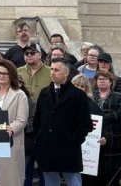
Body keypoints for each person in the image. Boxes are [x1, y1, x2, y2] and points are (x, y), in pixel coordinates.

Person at [35, 58, 93, 186]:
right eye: (51, 69)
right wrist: (40, 138)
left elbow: (85, 124)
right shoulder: (44, 93)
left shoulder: (78, 95)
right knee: (50, 182)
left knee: (73, 181)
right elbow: (38, 121)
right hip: (47, 148)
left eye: (56, 70)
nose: (52, 72)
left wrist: (74, 141)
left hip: (69, 149)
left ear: (66, 73)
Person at [0, 60, 29, 186]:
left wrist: (9, 129)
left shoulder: (19, 94)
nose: (1, 75)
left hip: (11, 141)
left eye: (5, 73)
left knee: (10, 178)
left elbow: (21, 120)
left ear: (11, 75)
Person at [90, 70, 121, 186]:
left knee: (112, 174)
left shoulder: (117, 96)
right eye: (100, 79)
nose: (102, 81)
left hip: (113, 138)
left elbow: (119, 114)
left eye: (105, 79)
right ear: (96, 81)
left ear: (111, 82)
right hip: (94, 138)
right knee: (96, 174)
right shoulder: (91, 95)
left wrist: (100, 117)